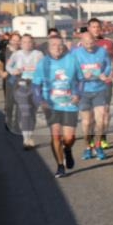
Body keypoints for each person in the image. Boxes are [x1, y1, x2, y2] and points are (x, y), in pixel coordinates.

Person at [33, 35, 83, 177]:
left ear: (64, 46)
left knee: (69, 138)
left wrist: (78, 93)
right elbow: (36, 84)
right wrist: (39, 99)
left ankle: (67, 149)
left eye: (60, 44)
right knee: (56, 135)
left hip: (69, 105)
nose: (57, 47)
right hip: (51, 104)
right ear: (48, 48)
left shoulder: (72, 60)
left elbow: (80, 80)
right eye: (54, 45)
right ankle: (60, 166)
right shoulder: (43, 62)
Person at [74, 31, 113, 160]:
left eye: (91, 42)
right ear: (81, 42)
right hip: (83, 90)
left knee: (100, 120)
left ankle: (98, 145)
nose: (89, 45)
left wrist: (104, 74)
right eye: (86, 43)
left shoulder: (101, 51)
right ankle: (87, 147)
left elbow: (108, 64)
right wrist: (81, 75)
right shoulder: (76, 53)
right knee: (86, 123)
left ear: (94, 41)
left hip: (99, 89)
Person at [6, 34, 44, 148]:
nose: (27, 44)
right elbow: (8, 66)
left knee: (32, 113)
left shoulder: (38, 54)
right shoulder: (16, 54)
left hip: (35, 86)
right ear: (21, 44)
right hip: (21, 84)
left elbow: (45, 68)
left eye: (29, 42)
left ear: (33, 43)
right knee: (25, 112)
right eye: (24, 42)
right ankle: (25, 139)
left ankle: (30, 135)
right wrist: (13, 71)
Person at [86, 18, 113, 149]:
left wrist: (111, 74)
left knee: (105, 112)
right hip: (89, 84)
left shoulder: (108, 43)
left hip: (105, 83)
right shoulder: (83, 44)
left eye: (98, 27)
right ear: (88, 29)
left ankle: (103, 136)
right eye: (93, 27)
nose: (96, 29)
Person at [0, 33, 21, 131]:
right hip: (8, 81)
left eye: (18, 40)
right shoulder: (4, 52)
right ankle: (8, 120)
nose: (16, 42)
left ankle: (17, 124)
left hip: (20, 82)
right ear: (10, 40)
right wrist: (2, 72)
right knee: (9, 104)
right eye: (14, 40)